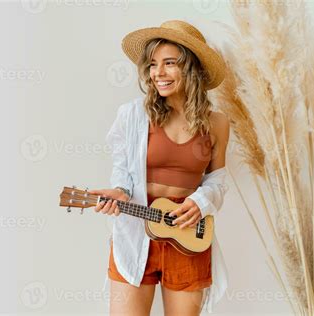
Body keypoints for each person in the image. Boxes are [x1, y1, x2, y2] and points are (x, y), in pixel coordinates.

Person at [88, 20, 230, 315]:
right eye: (153, 64)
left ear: (191, 68)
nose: (158, 73)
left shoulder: (217, 123)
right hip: (135, 231)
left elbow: (217, 180)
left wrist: (201, 202)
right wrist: (119, 192)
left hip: (188, 235)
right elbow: (123, 171)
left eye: (169, 63)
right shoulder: (132, 115)